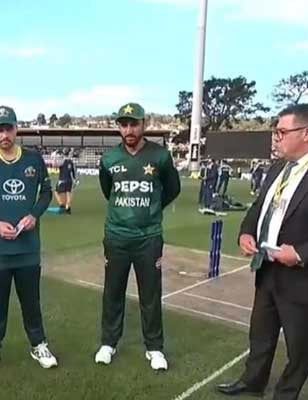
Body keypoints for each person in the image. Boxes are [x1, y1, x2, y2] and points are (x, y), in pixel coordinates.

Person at [216, 104, 308, 400]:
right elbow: (259, 209)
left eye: (282, 131)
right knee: (260, 335)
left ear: (307, 133)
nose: (276, 138)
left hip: (307, 278)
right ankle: (253, 381)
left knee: (300, 346)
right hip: (268, 269)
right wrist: (246, 232)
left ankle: (286, 393)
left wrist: (300, 253)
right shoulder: (277, 169)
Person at [0, 105, 58, 377]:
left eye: (9, 128)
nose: (5, 134)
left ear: (16, 129)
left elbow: (46, 192)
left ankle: (39, 344)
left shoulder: (33, 160)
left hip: (28, 249)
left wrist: (34, 215)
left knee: (31, 303)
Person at [94, 102, 181, 371]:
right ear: (118, 127)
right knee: (112, 292)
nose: (129, 129)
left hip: (148, 237)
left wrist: (151, 209)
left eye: (134, 123)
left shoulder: (161, 156)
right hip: (117, 236)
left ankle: (154, 348)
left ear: (145, 124)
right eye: (124, 124)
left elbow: (172, 189)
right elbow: (109, 192)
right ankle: (108, 342)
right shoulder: (109, 159)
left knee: (151, 295)